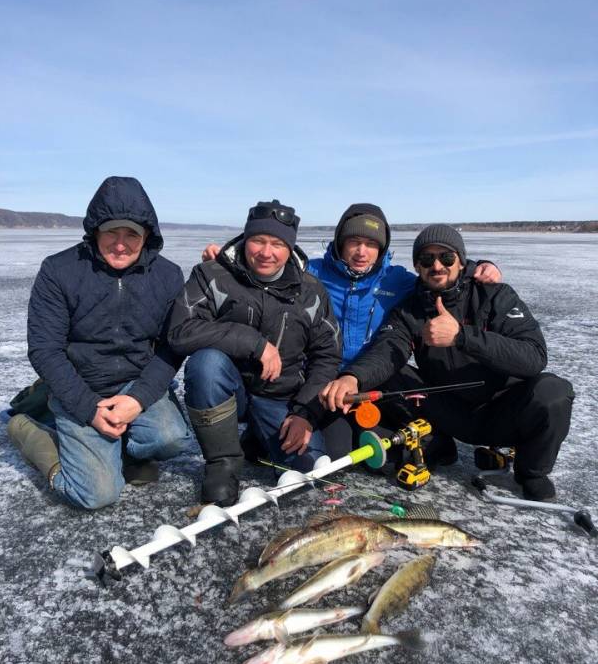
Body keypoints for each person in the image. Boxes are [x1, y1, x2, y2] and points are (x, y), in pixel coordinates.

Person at [202, 203, 500, 458]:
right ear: (340, 243)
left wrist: (477, 266)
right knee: (335, 453)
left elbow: (437, 275)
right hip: (319, 377)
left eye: (371, 244)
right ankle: (263, 427)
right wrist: (230, 263)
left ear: (381, 249)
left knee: (436, 449)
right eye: (354, 242)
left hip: (372, 379)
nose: (361, 251)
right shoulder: (310, 273)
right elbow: (267, 272)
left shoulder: (398, 281)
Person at [320, 224, 574, 501]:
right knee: (390, 376)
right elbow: (388, 350)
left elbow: (533, 356)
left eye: (447, 258)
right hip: (449, 413)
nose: (437, 266)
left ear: (461, 261)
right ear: (417, 265)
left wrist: (463, 337)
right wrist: (353, 377)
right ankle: (436, 441)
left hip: (502, 411)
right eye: (427, 259)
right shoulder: (410, 309)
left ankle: (532, 473)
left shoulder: (496, 295)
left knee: (553, 391)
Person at [7, 176, 192, 510]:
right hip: (81, 382)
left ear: (147, 234)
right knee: (96, 494)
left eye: (131, 234)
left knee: (172, 438)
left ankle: (115, 443)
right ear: (95, 231)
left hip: (135, 380)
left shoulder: (167, 275)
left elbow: (171, 347)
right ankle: (27, 427)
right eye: (111, 232)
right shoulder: (60, 270)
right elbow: (44, 349)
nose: (120, 244)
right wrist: (88, 408)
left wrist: (137, 400)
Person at [167, 199, 341, 508]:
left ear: (290, 248)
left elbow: (327, 356)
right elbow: (180, 331)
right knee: (205, 364)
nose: (266, 252)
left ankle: (256, 439)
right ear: (246, 239)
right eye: (258, 240)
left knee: (309, 474)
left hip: (282, 397)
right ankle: (222, 462)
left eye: (277, 243)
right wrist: (253, 343)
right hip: (229, 389)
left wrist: (305, 414)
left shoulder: (311, 290)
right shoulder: (212, 276)